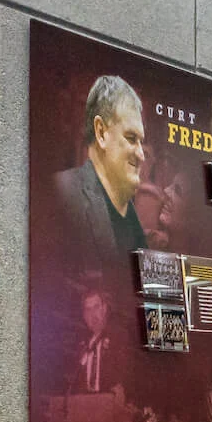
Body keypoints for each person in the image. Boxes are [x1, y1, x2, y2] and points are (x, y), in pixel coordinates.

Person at [53, 75, 147, 274]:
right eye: (131, 138)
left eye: (141, 141)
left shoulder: (134, 224)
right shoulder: (61, 193)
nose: (141, 155)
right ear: (101, 132)